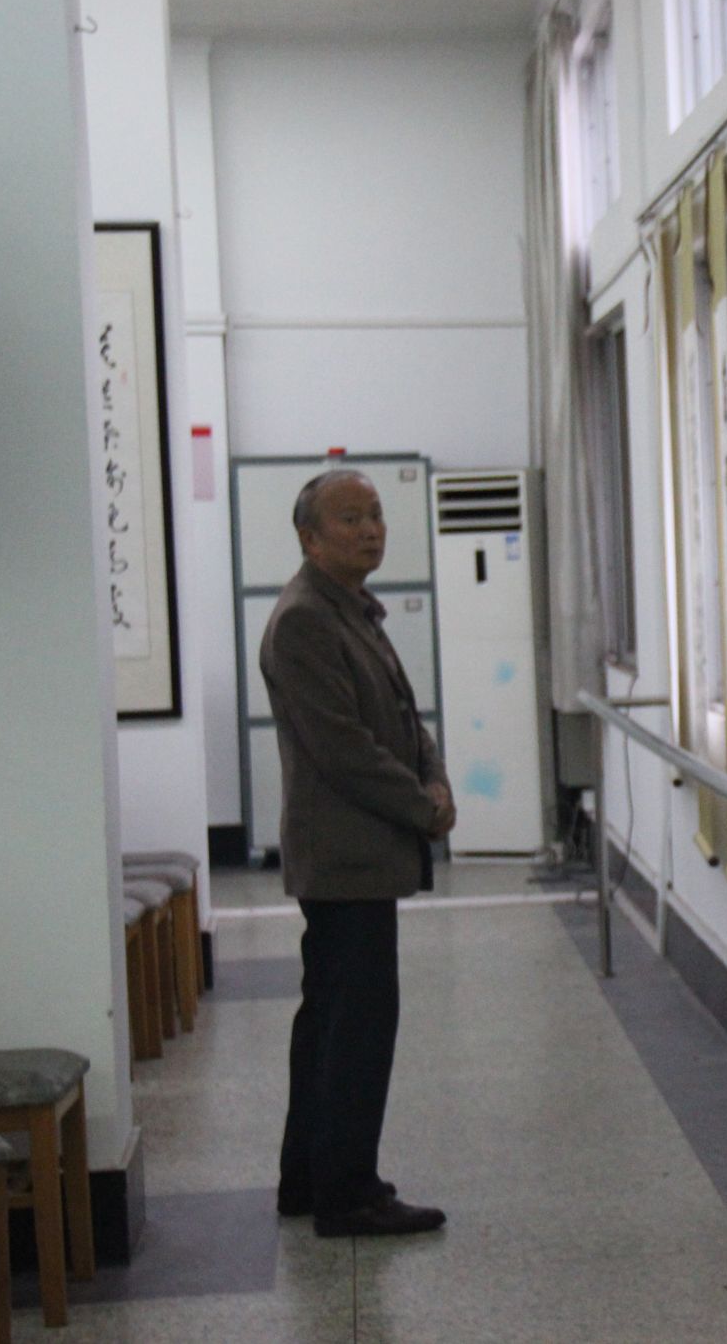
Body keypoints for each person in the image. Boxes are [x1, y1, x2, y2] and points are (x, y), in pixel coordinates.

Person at [261, 468, 454, 1238]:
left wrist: (434, 775)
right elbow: (344, 748)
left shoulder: (351, 607)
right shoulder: (304, 620)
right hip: (344, 857)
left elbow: (402, 716)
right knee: (356, 1027)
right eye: (350, 518)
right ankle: (348, 1192)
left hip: (363, 852)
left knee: (332, 1020)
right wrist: (422, 805)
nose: (371, 528)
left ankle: (308, 1179)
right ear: (309, 537)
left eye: (376, 514)